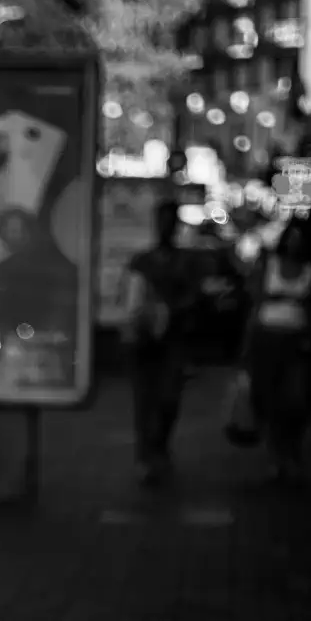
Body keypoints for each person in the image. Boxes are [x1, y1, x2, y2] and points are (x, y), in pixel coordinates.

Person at [241, 218, 311, 482]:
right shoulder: (269, 265)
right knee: (270, 400)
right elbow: (255, 302)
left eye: (300, 237)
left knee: (297, 400)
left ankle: (292, 451)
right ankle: (277, 456)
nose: (294, 243)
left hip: (298, 344)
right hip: (266, 341)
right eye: (291, 237)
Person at [120, 199, 194, 485]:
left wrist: (170, 310)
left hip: (173, 341)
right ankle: (146, 456)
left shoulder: (185, 261)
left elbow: (194, 298)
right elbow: (130, 298)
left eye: (169, 221)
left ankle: (160, 447)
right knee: (144, 401)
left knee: (168, 399)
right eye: (161, 221)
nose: (165, 227)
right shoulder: (143, 260)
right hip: (143, 343)